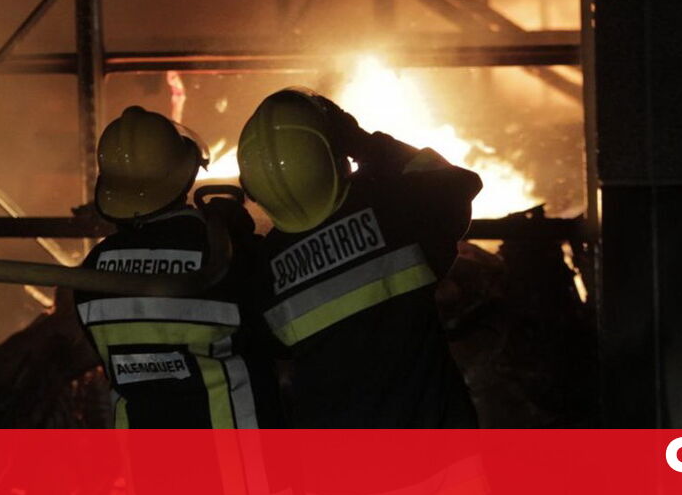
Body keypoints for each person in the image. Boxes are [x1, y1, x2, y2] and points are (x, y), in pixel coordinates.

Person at [237, 88, 481, 428]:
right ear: (334, 156)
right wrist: (364, 143)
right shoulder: (393, 210)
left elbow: (266, 344)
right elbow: (456, 184)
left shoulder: (264, 273)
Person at [73, 106, 282, 428]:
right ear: (185, 175)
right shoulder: (223, 252)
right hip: (234, 451)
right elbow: (276, 336)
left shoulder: (93, 271)